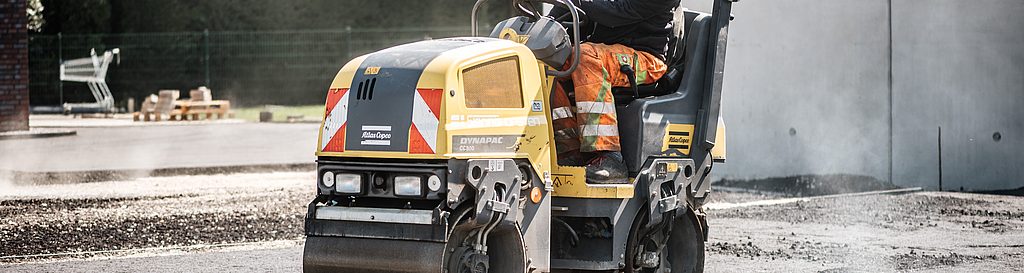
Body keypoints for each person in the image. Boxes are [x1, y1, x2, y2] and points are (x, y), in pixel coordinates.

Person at [550, 0, 680, 183]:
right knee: (549, 64)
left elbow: (619, 12)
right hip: (605, 51)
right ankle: (570, 153)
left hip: (646, 59)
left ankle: (610, 158)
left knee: (586, 57)